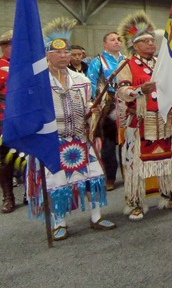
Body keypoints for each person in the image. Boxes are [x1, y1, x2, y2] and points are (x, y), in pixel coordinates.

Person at [26, 18, 116, 240]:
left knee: (94, 177)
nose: (64, 56)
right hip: (53, 141)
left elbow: (87, 103)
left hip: (80, 137)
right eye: (58, 52)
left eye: (67, 51)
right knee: (57, 183)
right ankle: (60, 222)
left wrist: (92, 112)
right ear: (47, 55)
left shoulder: (82, 80)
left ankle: (96, 217)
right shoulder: (39, 83)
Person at [115, 12, 172, 221]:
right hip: (141, 121)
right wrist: (139, 91)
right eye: (145, 41)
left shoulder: (161, 63)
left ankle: (169, 195)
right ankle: (135, 202)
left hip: (164, 119)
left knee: (168, 160)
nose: (150, 43)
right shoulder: (127, 65)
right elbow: (121, 91)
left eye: (151, 40)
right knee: (136, 163)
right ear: (135, 45)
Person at [87, 32, 125, 191]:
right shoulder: (97, 62)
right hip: (106, 106)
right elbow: (90, 83)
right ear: (104, 44)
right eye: (112, 40)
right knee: (108, 145)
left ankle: (129, 173)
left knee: (127, 142)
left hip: (126, 104)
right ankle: (110, 177)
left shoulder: (126, 60)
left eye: (118, 39)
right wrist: (92, 104)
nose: (116, 42)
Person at [0, 30, 15, 213]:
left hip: (28, 117)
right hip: (4, 118)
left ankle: (31, 193)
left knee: (27, 156)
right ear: (4, 47)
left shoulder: (30, 65)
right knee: (5, 158)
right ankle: (8, 196)